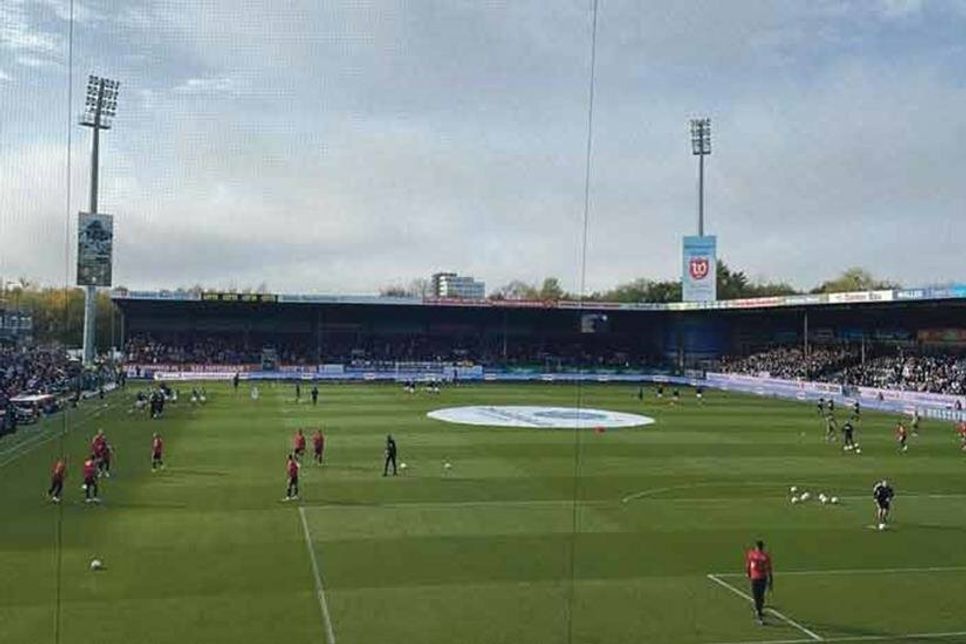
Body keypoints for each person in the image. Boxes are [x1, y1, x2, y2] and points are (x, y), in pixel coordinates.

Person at [745, 540, 773, 625]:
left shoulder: (751, 554)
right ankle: (759, 611)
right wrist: (771, 580)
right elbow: (769, 569)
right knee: (761, 596)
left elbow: (748, 565)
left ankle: (759, 614)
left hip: (755, 578)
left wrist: (749, 574)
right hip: (763, 578)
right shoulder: (765, 556)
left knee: (756, 596)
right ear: (762, 547)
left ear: (756, 547)